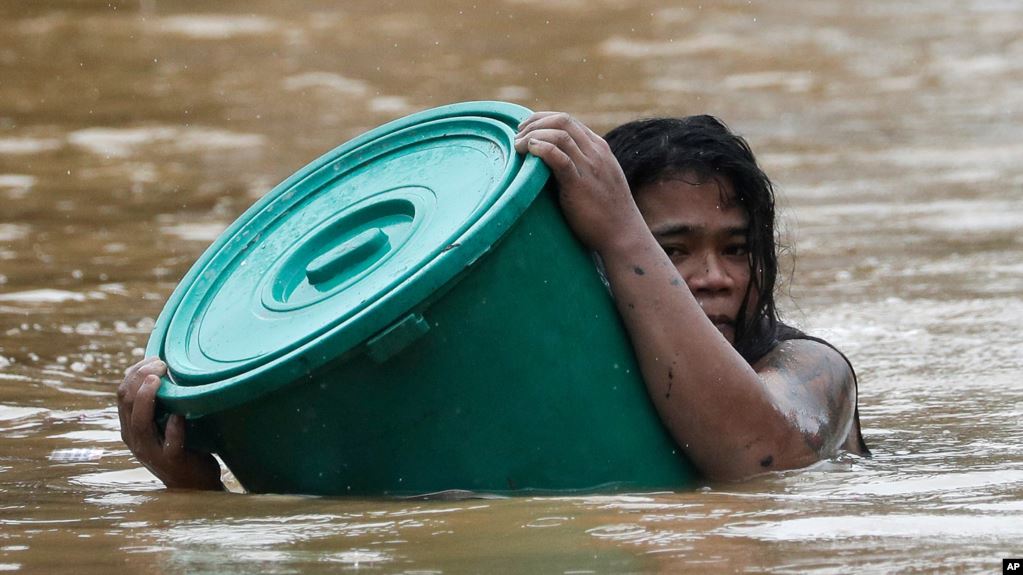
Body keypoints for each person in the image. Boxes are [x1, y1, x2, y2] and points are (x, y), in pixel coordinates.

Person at [117, 111, 867, 490]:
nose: (715, 277)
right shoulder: (559, 385)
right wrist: (199, 493)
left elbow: (764, 460)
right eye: (671, 250)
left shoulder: (809, 369)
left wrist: (620, 228)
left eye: (736, 248)